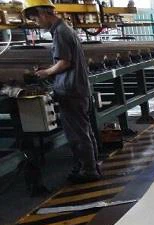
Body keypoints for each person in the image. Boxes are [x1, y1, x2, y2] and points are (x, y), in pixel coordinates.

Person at [23, 0, 101, 183]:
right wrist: (50, 69)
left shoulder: (60, 32)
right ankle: (89, 165)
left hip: (71, 90)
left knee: (77, 134)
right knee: (84, 130)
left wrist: (46, 73)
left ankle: (88, 170)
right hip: (77, 88)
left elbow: (64, 62)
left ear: (43, 13)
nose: (37, 23)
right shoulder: (65, 29)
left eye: (36, 19)